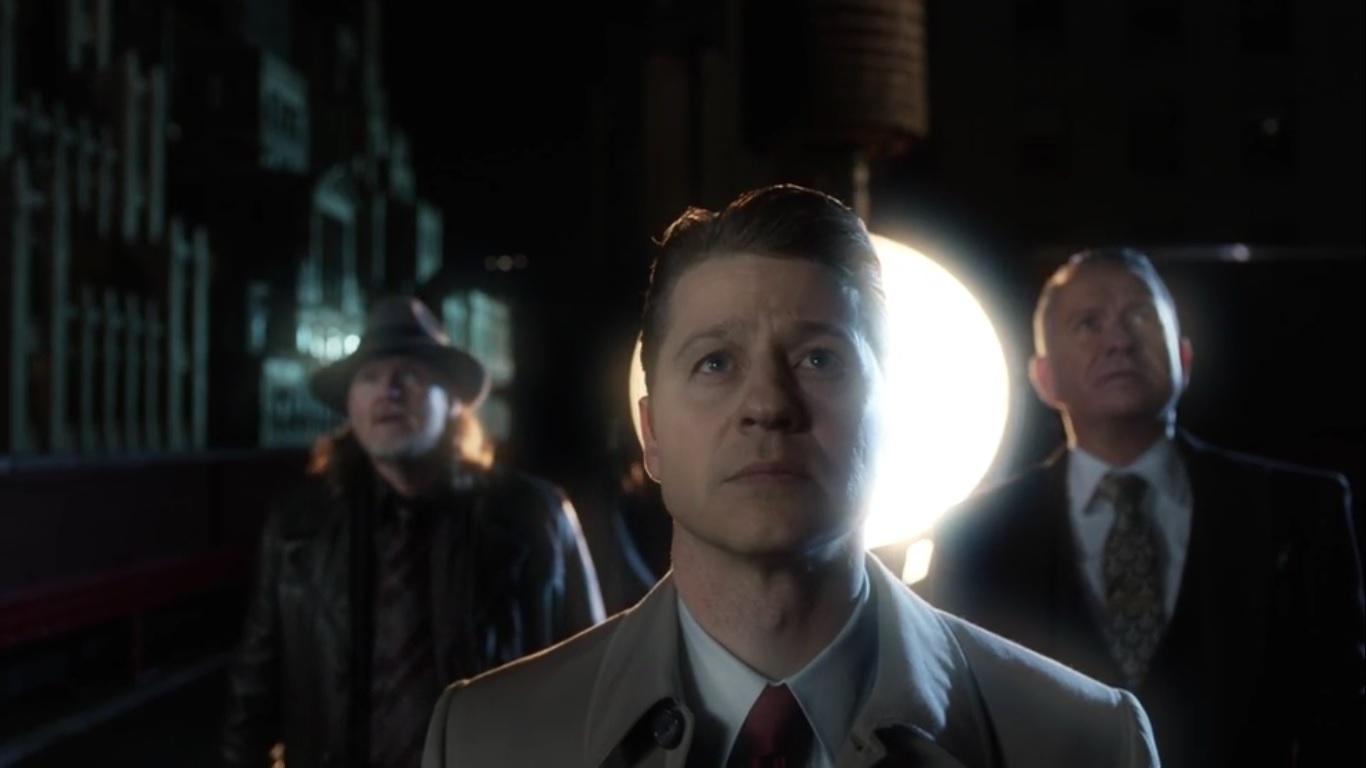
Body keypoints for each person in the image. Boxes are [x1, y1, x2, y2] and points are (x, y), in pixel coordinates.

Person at [421, 186, 1160, 768]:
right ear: (652, 436)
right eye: (716, 363)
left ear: (890, 419)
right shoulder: (486, 742)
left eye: (818, 359)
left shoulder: (1089, 743)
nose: (769, 404)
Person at [917, 248, 1365, 768]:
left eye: (1139, 316)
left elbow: (1342, 716)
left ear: (1184, 358)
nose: (1119, 341)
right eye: (1088, 323)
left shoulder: (1300, 513)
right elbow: (951, 724)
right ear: (1044, 378)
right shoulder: (974, 535)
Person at [222, 296, 606, 768]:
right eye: (369, 377)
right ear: (350, 407)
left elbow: (597, 683)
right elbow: (253, 695)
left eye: (411, 374)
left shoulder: (532, 516)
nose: (388, 390)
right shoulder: (298, 526)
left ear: (453, 402)